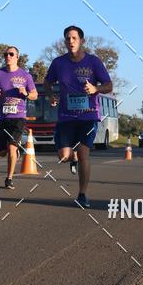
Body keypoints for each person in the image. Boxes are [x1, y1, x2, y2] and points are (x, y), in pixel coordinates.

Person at [43, 26, 113, 208]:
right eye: (67, 38)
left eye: (74, 38)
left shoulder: (93, 62)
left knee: (84, 154)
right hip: (66, 116)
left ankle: (82, 194)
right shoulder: (58, 63)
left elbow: (109, 85)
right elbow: (47, 82)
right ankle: (71, 158)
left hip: (88, 116)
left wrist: (96, 89)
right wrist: (51, 94)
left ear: (82, 41)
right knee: (64, 155)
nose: (71, 41)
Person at [0, 46, 37, 189]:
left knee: (11, 147)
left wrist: (26, 93)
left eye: (11, 54)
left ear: (17, 57)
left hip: (18, 117)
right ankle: (14, 151)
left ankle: (9, 178)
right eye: (6, 54)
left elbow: (34, 95)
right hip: (1, 117)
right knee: (2, 152)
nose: (8, 56)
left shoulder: (25, 76)